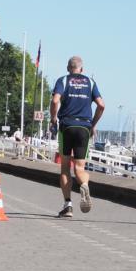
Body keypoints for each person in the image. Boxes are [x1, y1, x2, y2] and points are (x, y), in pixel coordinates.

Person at [50, 55, 105, 218]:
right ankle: (84, 185)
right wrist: (93, 124)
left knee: (65, 167)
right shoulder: (90, 82)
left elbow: (55, 101)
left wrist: (53, 119)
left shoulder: (63, 80)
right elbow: (101, 105)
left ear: (68, 68)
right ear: (82, 69)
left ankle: (68, 205)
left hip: (66, 126)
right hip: (84, 127)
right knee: (79, 168)